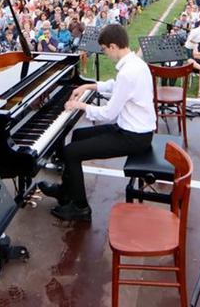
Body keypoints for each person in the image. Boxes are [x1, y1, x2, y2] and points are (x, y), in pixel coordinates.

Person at [38, 24, 155, 222]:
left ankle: (81, 208)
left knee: (71, 152)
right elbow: (115, 87)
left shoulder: (128, 72)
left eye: (104, 50)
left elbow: (108, 113)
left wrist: (79, 105)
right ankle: (66, 192)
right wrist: (87, 85)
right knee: (77, 136)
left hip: (134, 136)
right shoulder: (134, 62)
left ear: (113, 46)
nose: (105, 53)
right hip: (133, 129)